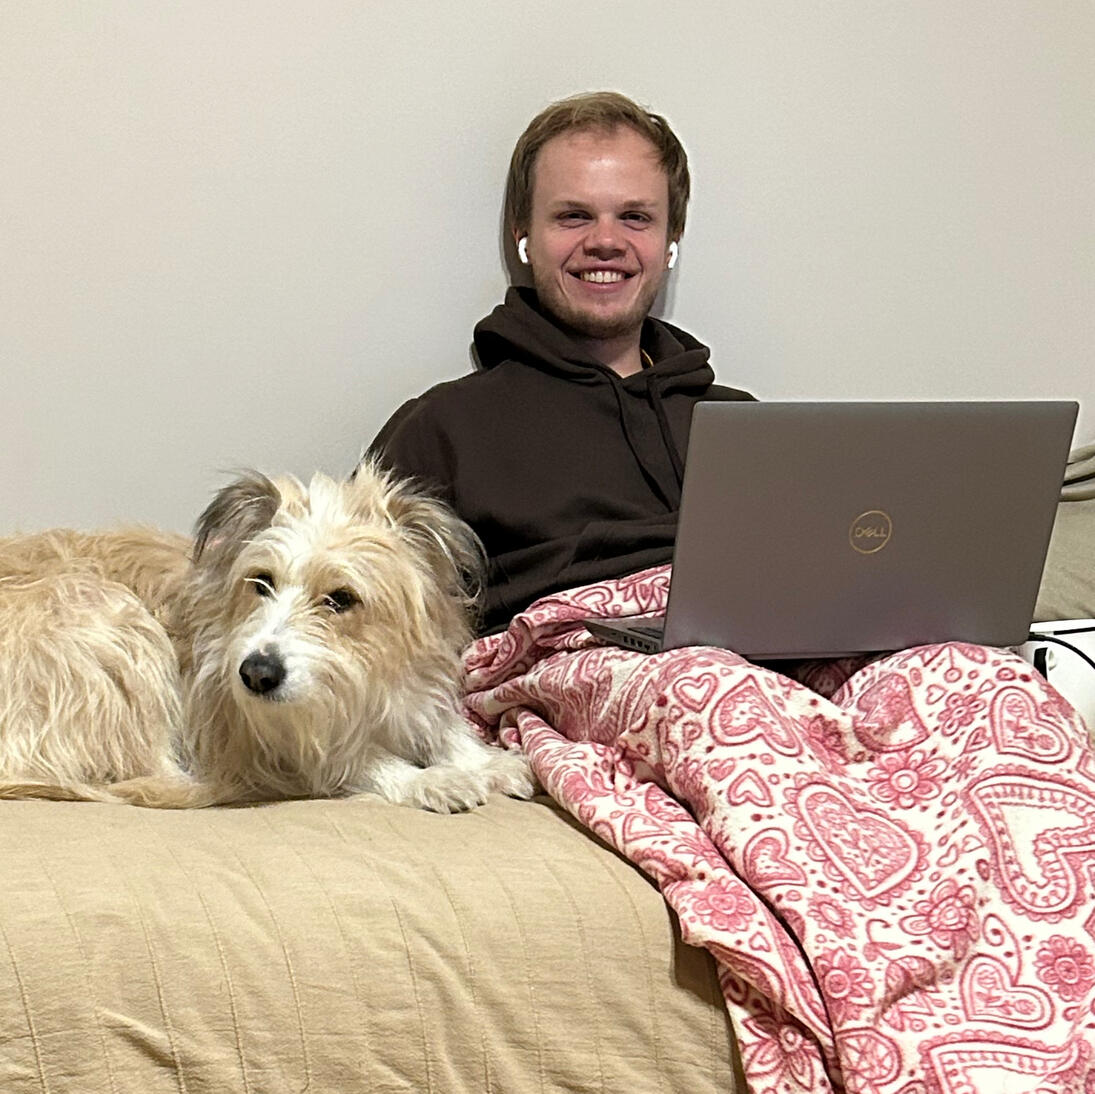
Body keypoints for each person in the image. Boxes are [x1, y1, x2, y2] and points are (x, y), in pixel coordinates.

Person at [369, 91, 755, 634]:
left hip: (764, 667)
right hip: (570, 676)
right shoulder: (444, 430)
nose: (605, 242)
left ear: (672, 240)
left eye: (635, 218)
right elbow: (353, 624)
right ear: (523, 237)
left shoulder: (747, 429)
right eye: (573, 216)